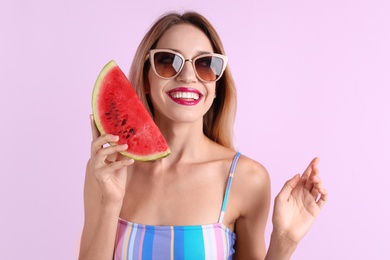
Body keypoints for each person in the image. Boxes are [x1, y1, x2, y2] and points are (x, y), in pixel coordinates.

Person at [79, 11, 328, 260]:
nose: (187, 77)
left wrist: (284, 243)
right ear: (146, 78)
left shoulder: (247, 179)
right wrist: (110, 202)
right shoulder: (107, 170)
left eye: (205, 65)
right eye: (168, 61)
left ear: (217, 85)